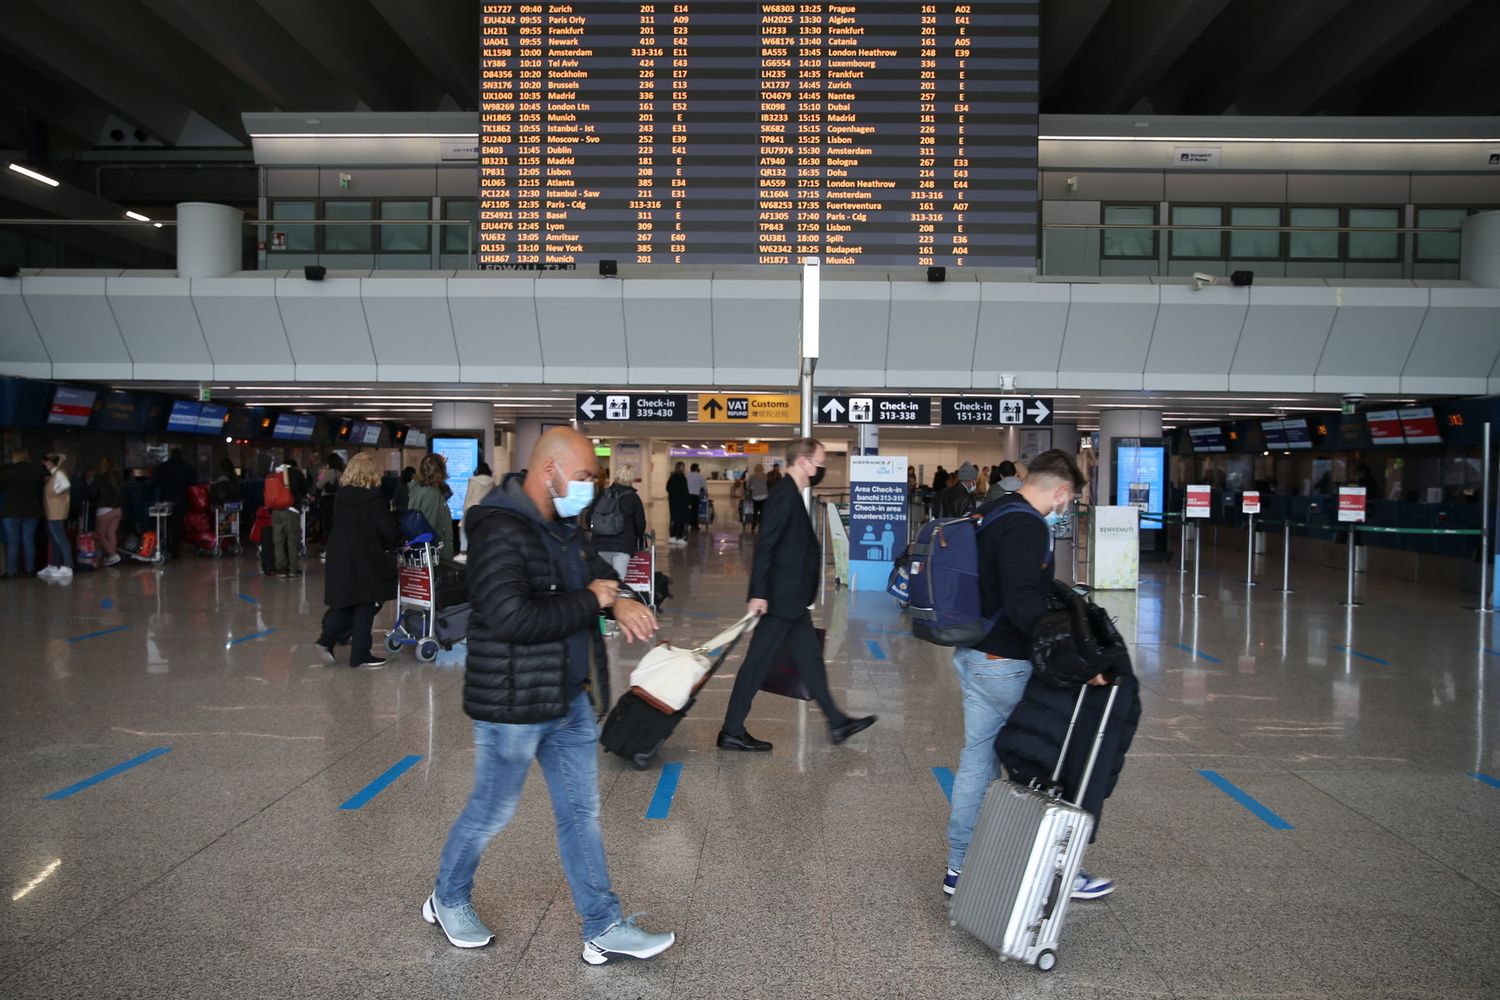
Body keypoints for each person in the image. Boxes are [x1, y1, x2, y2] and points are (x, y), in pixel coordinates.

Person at [426, 427, 675, 963]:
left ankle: (602, 925)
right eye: (584, 477)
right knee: (492, 810)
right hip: (513, 704)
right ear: (549, 472)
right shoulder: (498, 529)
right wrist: (592, 600)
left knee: (581, 814)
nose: (589, 487)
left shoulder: (563, 527)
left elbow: (596, 580)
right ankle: (446, 897)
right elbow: (510, 616)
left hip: (567, 698)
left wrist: (621, 601)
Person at [942, 449, 1089, 899]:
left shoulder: (989, 510)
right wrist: (1071, 653)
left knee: (978, 759)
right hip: (1006, 661)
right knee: (1049, 760)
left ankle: (959, 868)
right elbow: (1024, 601)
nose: (1066, 508)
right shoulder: (1027, 525)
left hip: (974, 653)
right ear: (1062, 491)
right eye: (1070, 500)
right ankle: (1055, 871)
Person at [718, 437, 877, 753]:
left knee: (810, 660)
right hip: (779, 598)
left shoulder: (792, 493)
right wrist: (759, 593)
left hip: (790, 599)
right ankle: (731, 730)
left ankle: (836, 721)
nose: (822, 468)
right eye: (820, 462)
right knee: (757, 664)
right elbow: (766, 545)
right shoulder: (783, 494)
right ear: (803, 461)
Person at [315, 453, 399, 669]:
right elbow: (386, 529)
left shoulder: (340, 497)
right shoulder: (374, 498)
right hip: (365, 556)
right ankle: (359, 654)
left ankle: (326, 640)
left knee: (346, 601)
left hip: (339, 555)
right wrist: (401, 539)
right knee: (365, 603)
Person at [590, 464, 647, 579]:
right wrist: (637, 535)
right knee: (617, 583)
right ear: (631, 479)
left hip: (600, 545)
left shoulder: (603, 494)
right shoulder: (633, 498)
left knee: (602, 582)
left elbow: (589, 518)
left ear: (616, 476)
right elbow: (640, 525)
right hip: (622, 546)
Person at [407, 454, 457, 565]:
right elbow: (428, 525)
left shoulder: (418, 488)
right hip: (435, 557)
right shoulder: (432, 494)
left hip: (420, 553)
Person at [2, 449, 46, 578]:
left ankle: (11, 571)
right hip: (32, 511)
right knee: (29, 541)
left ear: (14, 458)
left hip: (12, 511)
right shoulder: (36, 472)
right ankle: (30, 569)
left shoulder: (7, 473)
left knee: (13, 542)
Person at [152, 447, 197, 557]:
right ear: (181, 455)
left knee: (166, 524)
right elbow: (193, 483)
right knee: (178, 525)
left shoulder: (162, 467)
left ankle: (165, 547)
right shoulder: (187, 467)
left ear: (171, 455)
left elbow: (156, 482)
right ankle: (175, 549)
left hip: (166, 500)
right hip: (181, 500)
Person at [270, 460, 309, 579]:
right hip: (291, 510)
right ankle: (293, 569)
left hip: (276, 511)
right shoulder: (296, 473)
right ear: (294, 465)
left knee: (278, 540)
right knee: (292, 539)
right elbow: (304, 489)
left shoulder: (275, 473)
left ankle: (281, 569)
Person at [38, 454, 73, 580]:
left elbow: (65, 484)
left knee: (60, 539)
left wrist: (55, 491)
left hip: (56, 511)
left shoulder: (58, 473)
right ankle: (54, 565)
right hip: (52, 511)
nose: (44, 464)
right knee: (54, 539)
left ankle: (67, 566)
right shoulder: (56, 473)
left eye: (46, 461)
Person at [92, 457, 125, 567]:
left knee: (100, 535)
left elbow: (93, 493)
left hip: (104, 509)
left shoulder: (99, 478)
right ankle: (111, 558)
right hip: (118, 510)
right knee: (111, 534)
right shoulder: (118, 477)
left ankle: (113, 555)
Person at [666, 461, 691, 546]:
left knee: (673, 519)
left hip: (672, 502)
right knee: (681, 520)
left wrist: (673, 495)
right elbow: (684, 491)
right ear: (682, 468)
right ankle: (680, 537)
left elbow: (667, 487)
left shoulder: (672, 477)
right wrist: (688, 501)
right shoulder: (682, 478)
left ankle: (672, 536)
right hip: (681, 503)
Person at [747, 463, 770, 530]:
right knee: (762, 511)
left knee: (755, 511)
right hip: (764, 495)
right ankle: (761, 525)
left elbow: (748, 486)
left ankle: (753, 525)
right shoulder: (765, 476)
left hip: (755, 496)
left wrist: (748, 490)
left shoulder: (752, 476)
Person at [685, 462, 707, 531]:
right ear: (696, 468)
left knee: (688, 510)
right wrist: (706, 492)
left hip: (687, 496)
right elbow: (704, 485)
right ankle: (694, 525)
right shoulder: (699, 476)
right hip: (695, 496)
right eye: (698, 467)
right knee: (695, 511)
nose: (699, 468)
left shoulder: (687, 475)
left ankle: (687, 523)